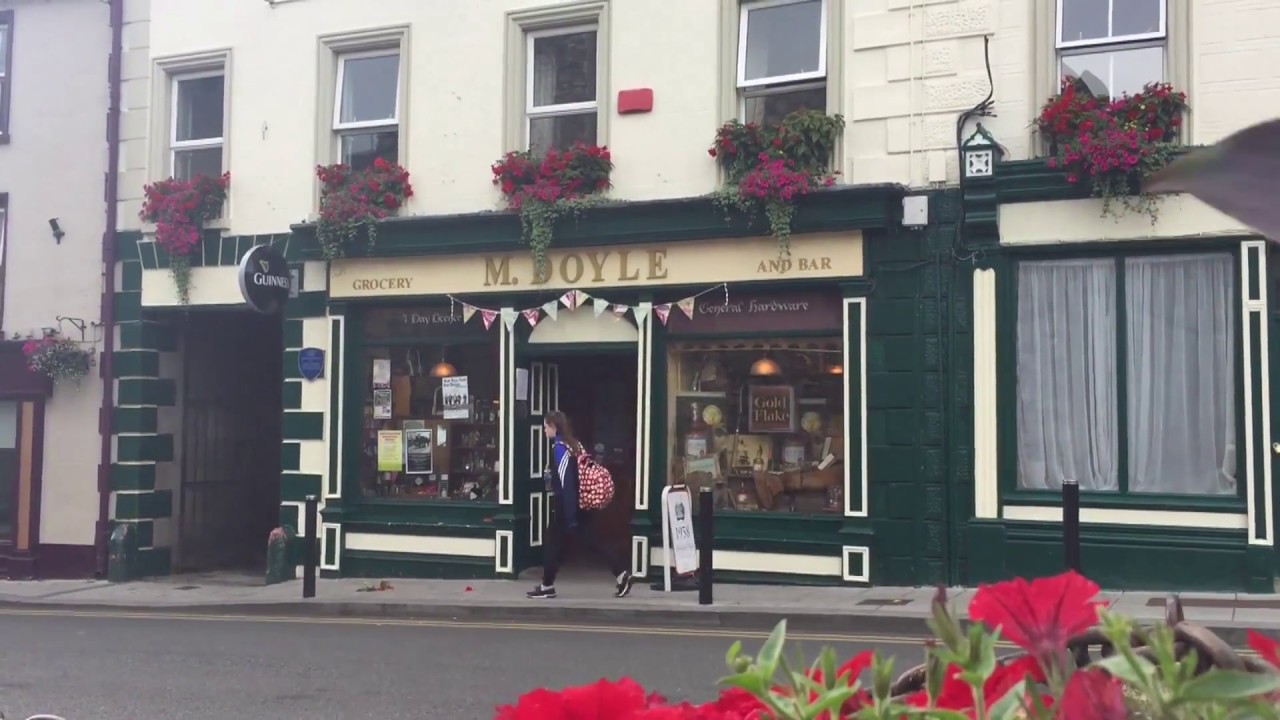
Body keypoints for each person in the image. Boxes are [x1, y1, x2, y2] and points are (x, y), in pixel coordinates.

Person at [527, 411, 635, 599]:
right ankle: (621, 574)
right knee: (591, 541)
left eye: (546, 427)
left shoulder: (560, 448)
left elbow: (567, 483)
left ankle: (547, 586)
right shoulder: (575, 445)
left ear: (554, 427)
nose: (544, 430)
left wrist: (570, 516)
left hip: (568, 505)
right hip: (582, 502)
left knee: (554, 543)